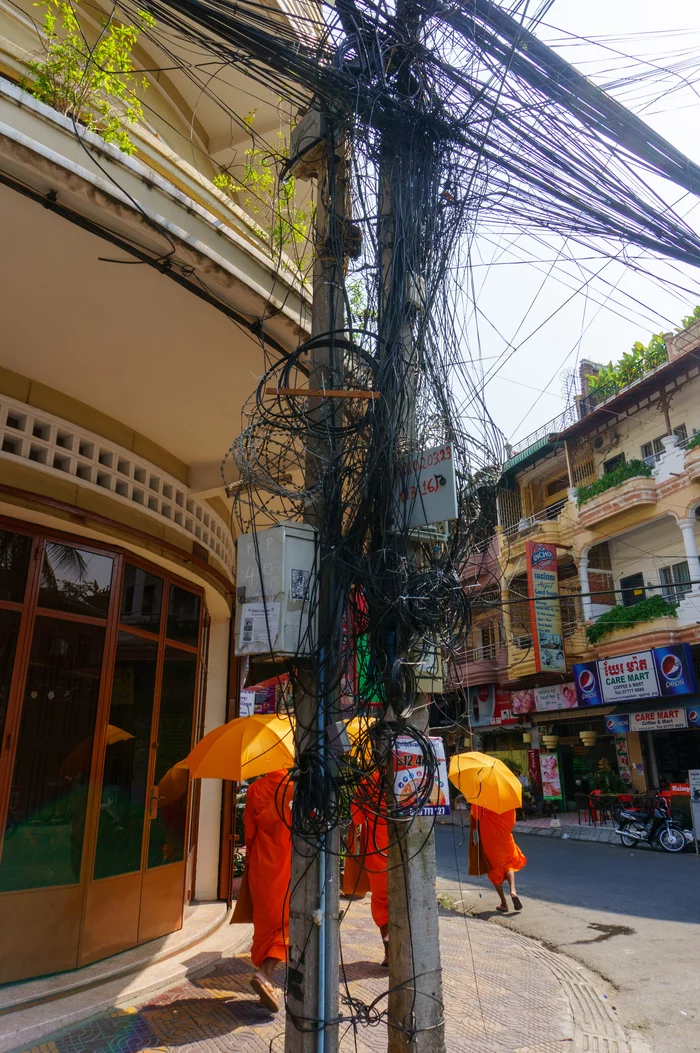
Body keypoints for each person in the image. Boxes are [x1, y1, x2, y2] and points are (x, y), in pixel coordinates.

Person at [238, 768, 293, 1012]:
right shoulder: (294, 787)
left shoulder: (254, 789)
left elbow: (249, 834)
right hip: (289, 863)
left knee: (264, 926)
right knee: (286, 924)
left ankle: (266, 985)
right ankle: (264, 974)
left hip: (261, 864)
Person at [350, 771, 389, 965]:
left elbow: (357, 819)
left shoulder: (368, 784)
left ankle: (389, 949)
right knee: (405, 903)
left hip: (378, 855)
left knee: (382, 902)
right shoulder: (413, 779)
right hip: (407, 856)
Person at [471, 804, 526, 913]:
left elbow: (475, 816)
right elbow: (512, 821)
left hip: (489, 838)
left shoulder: (482, 798)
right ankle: (513, 890)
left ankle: (504, 903)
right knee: (508, 864)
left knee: (494, 870)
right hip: (504, 836)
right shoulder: (507, 800)